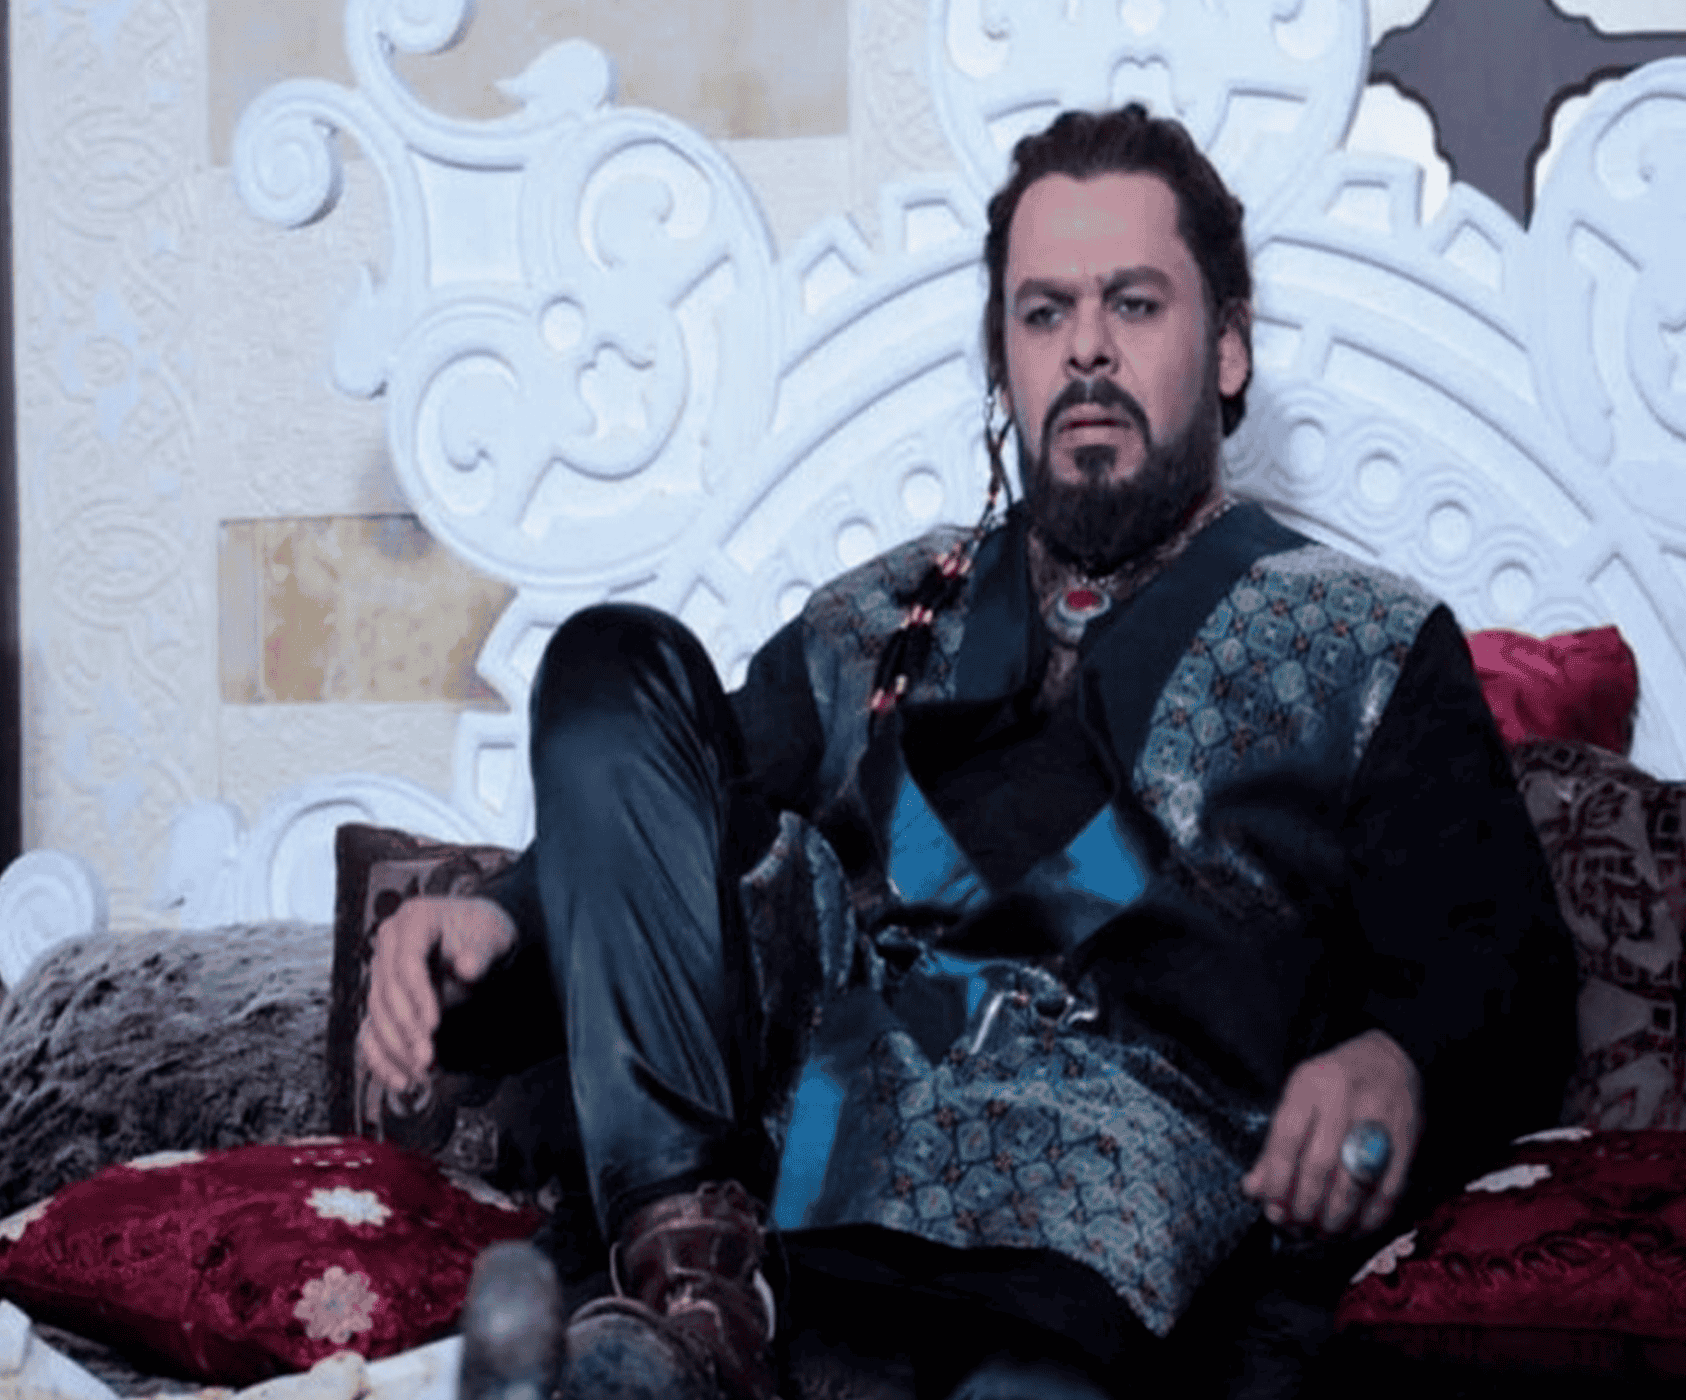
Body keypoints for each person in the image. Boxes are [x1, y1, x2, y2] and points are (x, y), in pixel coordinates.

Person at [359, 105, 1577, 1400]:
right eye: (1043, 313)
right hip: (774, 1231)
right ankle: (677, 1280)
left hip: (1089, 1278)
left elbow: (1498, 966)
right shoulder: (874, 620)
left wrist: (1395, 1061)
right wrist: (501, 917)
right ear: (1003, 359)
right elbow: (654, 842)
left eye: (1134, 304)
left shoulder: (1366, 648)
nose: (1086, 348)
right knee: (613, 660)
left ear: (1226, 347)